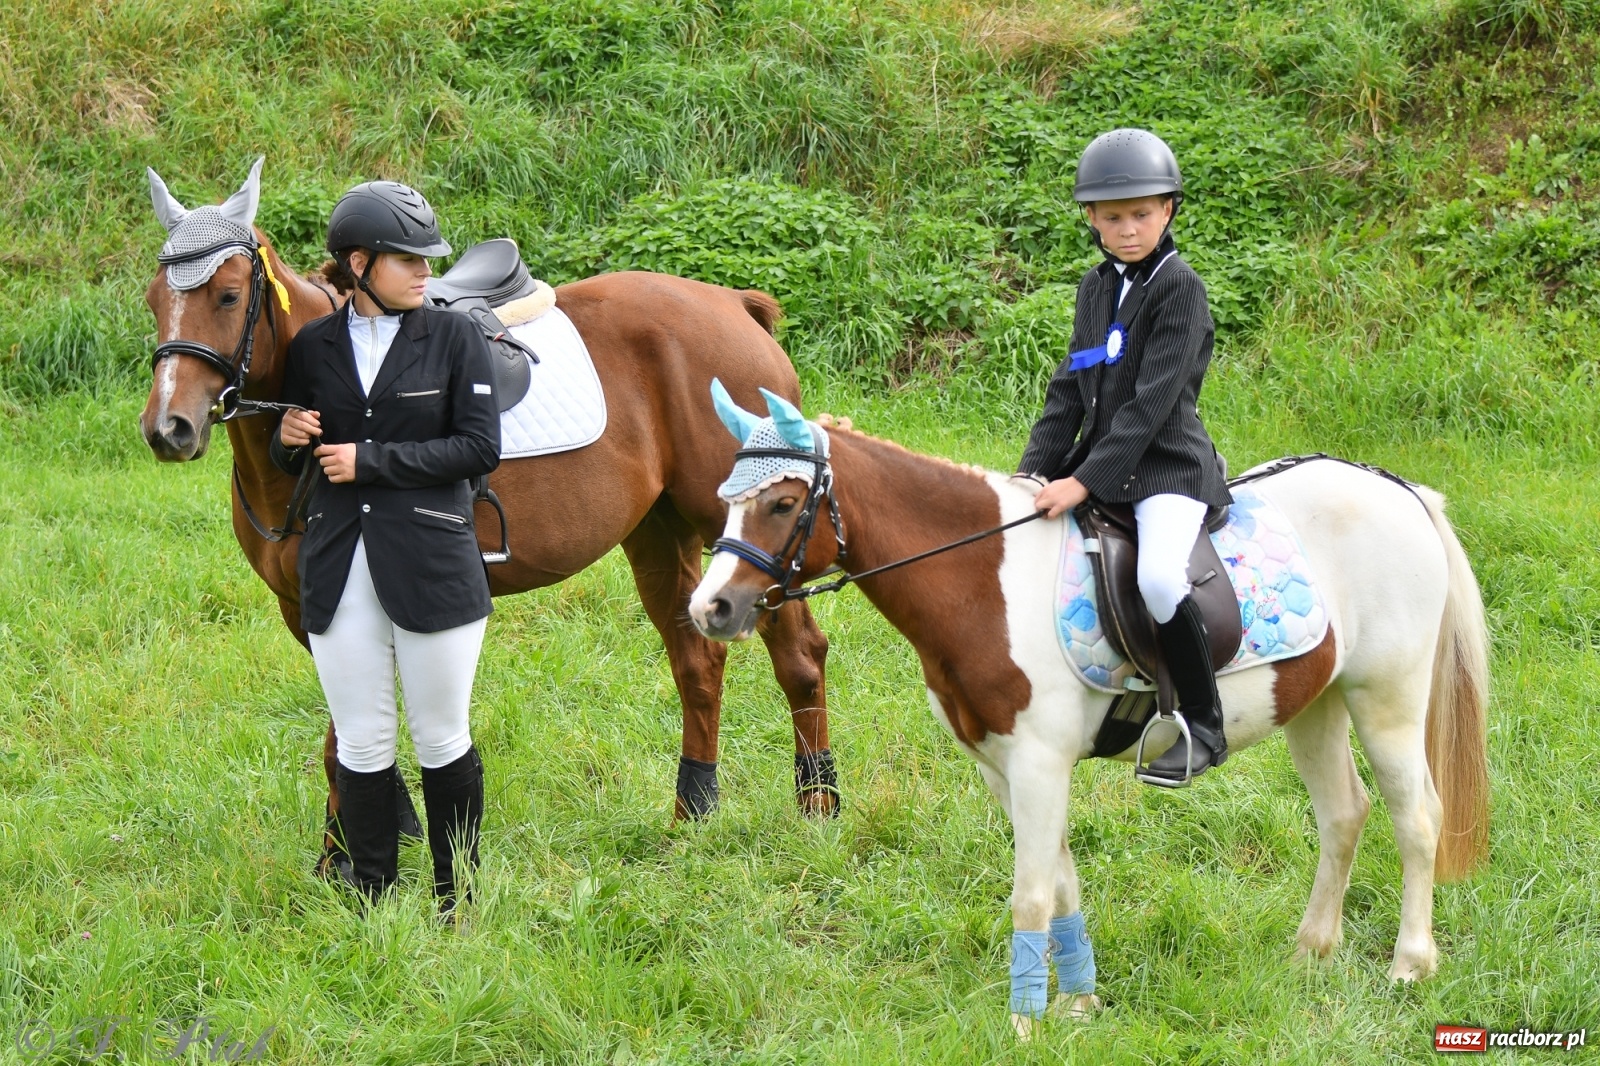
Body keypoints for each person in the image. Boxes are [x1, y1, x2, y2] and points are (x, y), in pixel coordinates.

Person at [271, 180, 501, 906]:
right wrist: (287, 441)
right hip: (339, 564)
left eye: (429, 258)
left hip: (433, 561)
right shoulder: (314, 346)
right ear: (361, 263)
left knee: (440, 737)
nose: (427, 271)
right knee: (364, 741)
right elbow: (297, 460)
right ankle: (371, 894)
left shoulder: (455, 335)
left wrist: (373, 462)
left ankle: (456, 896)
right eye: (409, 259)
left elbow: (479, 448)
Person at [1017, 128, 1233, 785]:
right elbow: (1069, 388)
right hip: (1104, 460)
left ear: (1168, 209)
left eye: (1142, 214)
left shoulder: (1181, 288)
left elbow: (1149, 408)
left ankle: (1204, 726)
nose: (1129, 228)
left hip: (1167, 465)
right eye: (1113, 217)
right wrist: (1033, 468)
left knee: (1161, 579)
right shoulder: (1094, 287)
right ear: (1091, 219)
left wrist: (1081, 483)